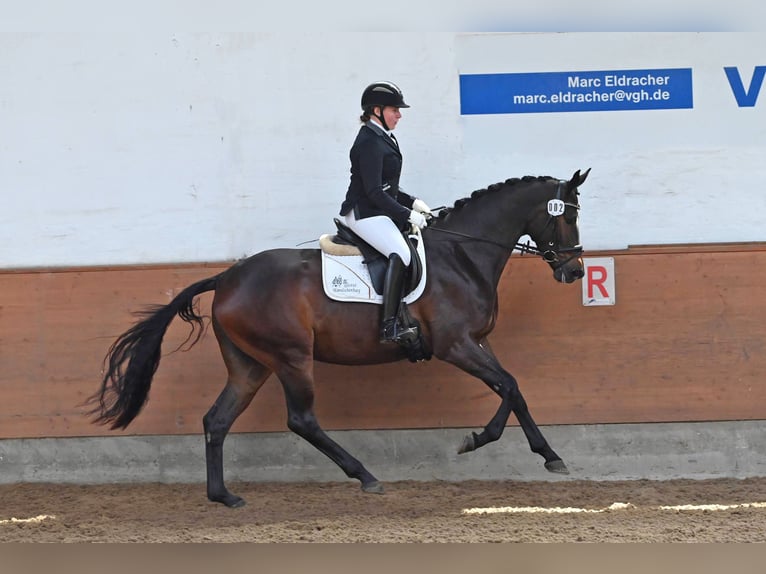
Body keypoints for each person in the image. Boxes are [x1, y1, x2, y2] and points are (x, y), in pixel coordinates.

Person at [339, 81, 432, 344]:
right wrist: (406, 214)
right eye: (395, 109)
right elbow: (374, 192)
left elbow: (387, 186)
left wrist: (413, 202)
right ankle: (389, 326)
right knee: (401, 254)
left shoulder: (382, 137)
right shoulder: (369, 141)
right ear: (376, 110)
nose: (400, 115)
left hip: (376, 209)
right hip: (363, 213)